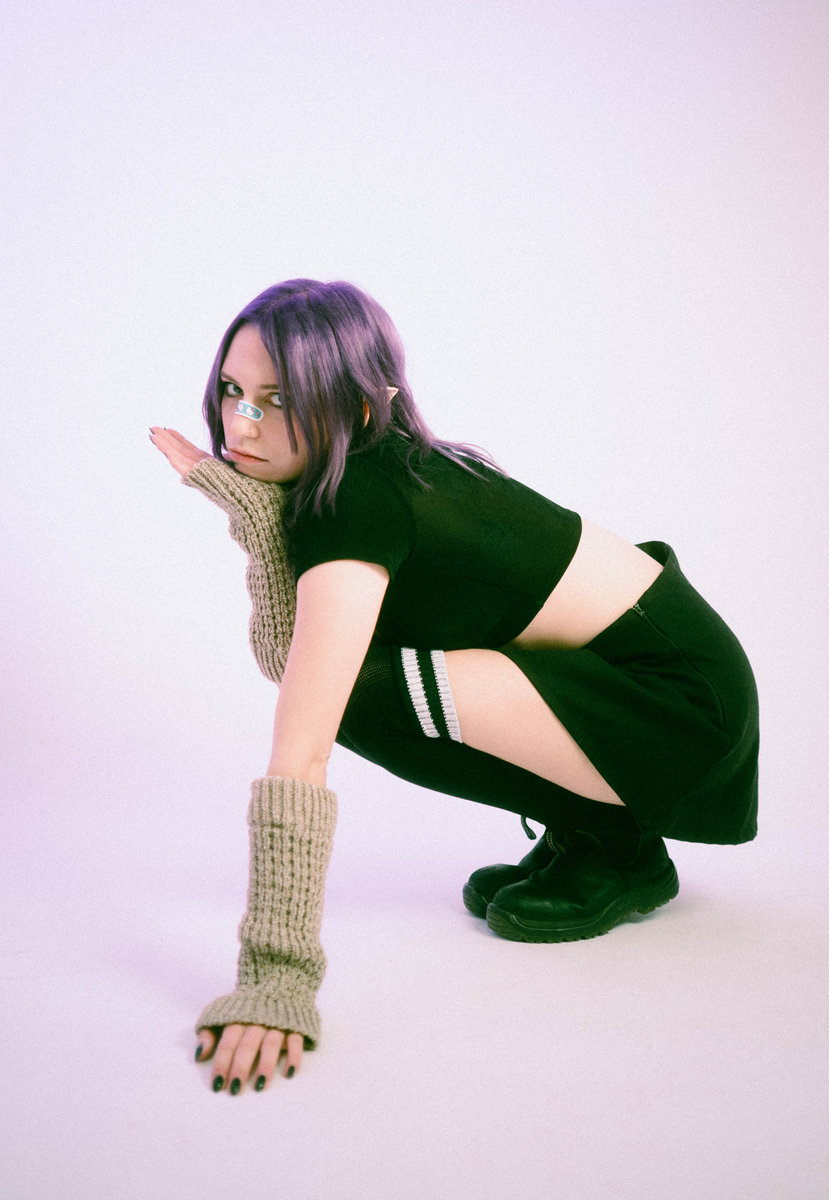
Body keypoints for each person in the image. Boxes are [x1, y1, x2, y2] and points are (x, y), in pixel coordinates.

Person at [150, 278, 759, 1095]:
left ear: (360, 405)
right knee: (347, 679)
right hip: (657, 690)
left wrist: (275, 975)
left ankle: (617, 844)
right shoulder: (377, 467)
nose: (240, 424)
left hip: (680, 716)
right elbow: (289, 658)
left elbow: (302, 732)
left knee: (354, 694)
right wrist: (261, 518)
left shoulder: (356, 501)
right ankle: (602, 837)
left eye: (280, 399)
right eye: (232, 390)